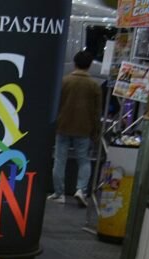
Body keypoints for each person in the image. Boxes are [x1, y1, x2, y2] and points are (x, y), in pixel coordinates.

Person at [50, 49, 102, 207]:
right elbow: (96, 111)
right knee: (84, 161)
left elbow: (55, 105)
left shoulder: (64, 81)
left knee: (59, 160)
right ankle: (81, 190)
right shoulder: (94, 85)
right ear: (90, 65)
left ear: (74, 63)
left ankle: (59, 193)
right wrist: (96, 131)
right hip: (84, 128)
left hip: (63, 126)